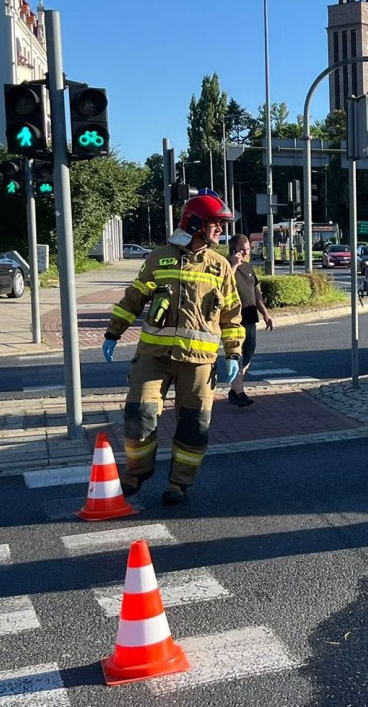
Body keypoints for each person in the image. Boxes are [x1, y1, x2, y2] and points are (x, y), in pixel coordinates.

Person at [101, 192, 244, 505]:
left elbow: (232, 316)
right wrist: (113, 332)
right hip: (154, 357)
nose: (220, 230)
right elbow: (133, 298)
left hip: (200, 363)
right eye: (215, 223)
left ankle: (179, 484)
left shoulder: (220, 267)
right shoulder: (158, 258)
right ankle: (136, 475)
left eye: (221, 224)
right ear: (194, 223)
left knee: (195, 427)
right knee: (139, 415)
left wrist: (233, 353)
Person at [226, 234, 273, 407]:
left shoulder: (248, 267)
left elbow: (256, 292)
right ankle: (239, 393)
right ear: (233, 249)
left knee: (248, 353)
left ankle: (234, 390)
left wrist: (265, 314)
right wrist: (233, 264)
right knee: (237, 355)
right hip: (233, 319)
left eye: (248, 249)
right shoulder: (226, 265)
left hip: (250, 317)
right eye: (242, 250)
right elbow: (222, 285)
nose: (246, 253)